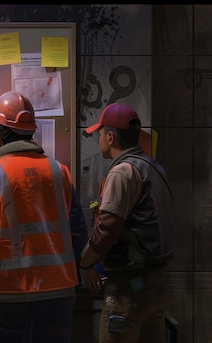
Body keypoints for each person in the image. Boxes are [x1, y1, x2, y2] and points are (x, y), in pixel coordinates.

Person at [0, 91, 88, 343]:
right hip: (59, 292)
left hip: (10, 294)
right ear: (32, 132)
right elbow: (78, 232)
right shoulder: (59, 172)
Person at [78, 103, 174, 343]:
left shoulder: (123, 172)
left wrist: (85, 264)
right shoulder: (154, 167)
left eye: (100, 133)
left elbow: (108, 229)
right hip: (155, 281)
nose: (98, 137)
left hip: (129, 288)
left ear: (110, 137)